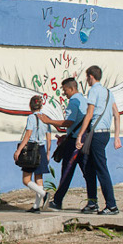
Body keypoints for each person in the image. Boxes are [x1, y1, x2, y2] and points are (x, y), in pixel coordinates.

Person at [75, 65, 122, 215]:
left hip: (95, 134)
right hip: (105, 133)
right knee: (88, 167)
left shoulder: (93, 91)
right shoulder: (108, 92)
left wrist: (80, 134)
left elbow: (89, 114)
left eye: (87, 77)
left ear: (90, 76)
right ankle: (92, 202)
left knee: (101, 169)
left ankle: (111, 205)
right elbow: (117, 114)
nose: (86, 80)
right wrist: (117, 137)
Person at [39, 77, 88, 210]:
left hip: (74, 142)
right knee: (87, 170)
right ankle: (92, 200)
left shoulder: (73, 102)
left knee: (67, 170)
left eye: (65, 90)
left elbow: (69, 122)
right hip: (83, 138)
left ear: (72, 89)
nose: (64, 93)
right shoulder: (84, 100)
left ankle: (58, 200)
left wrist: (49, 121)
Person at [14, 95, 52, 213]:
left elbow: (28, 134)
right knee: (39, 179)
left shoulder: (31, 118)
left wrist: (19, 150)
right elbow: (48, 136)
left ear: (30, 106)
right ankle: (36, 206)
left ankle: (44, 194)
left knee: (26, 179)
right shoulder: (46, 118)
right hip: (42, 148)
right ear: (41, 105)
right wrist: (48, 152)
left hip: (31, 149)